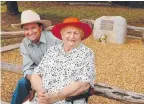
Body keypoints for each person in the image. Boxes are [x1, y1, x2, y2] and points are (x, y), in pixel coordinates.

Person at [30, 17, 96, 104]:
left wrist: (55, 97)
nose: (72, 36)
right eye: (68, 32)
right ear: (62, 34)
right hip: (41, 100)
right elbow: (35, 74)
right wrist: (40, 92)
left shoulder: (86, 53)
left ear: (81, 35)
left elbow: (84, 84)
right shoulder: (52, 50)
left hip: (66, 101)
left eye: (76, 33)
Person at [10, 10, 61, 104]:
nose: (30, 32)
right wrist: (35, 79)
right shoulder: (24, 44)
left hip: (57, 77)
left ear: (40, 28)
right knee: (22, 83)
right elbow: (28, 68)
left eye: (33, 28)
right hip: (38, 76)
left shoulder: (55, 40)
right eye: (26, 29)